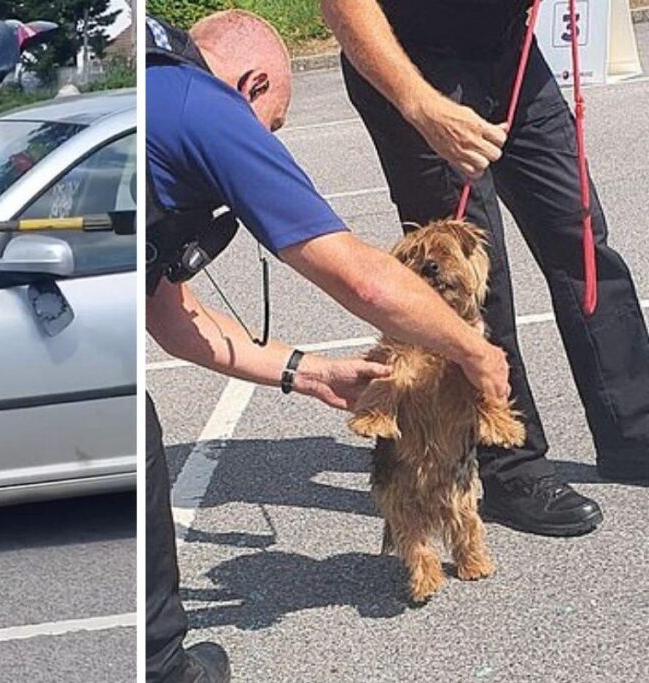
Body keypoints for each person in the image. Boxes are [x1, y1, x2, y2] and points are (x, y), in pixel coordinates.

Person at [145, 11, 512, 682]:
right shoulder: (211, 112)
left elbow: (172, 319)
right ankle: (162, 666)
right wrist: (475, 349)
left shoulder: (150, 96)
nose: (268, 140)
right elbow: (361, 275)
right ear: (253, 84)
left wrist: (305, 373)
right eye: (276, 123)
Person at [322, 0, 649, 536]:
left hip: (506, 49)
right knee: (470, 281)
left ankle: (633, 432)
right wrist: (420, 106)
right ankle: (511, 465)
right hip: (416, 68)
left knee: (582, 237)